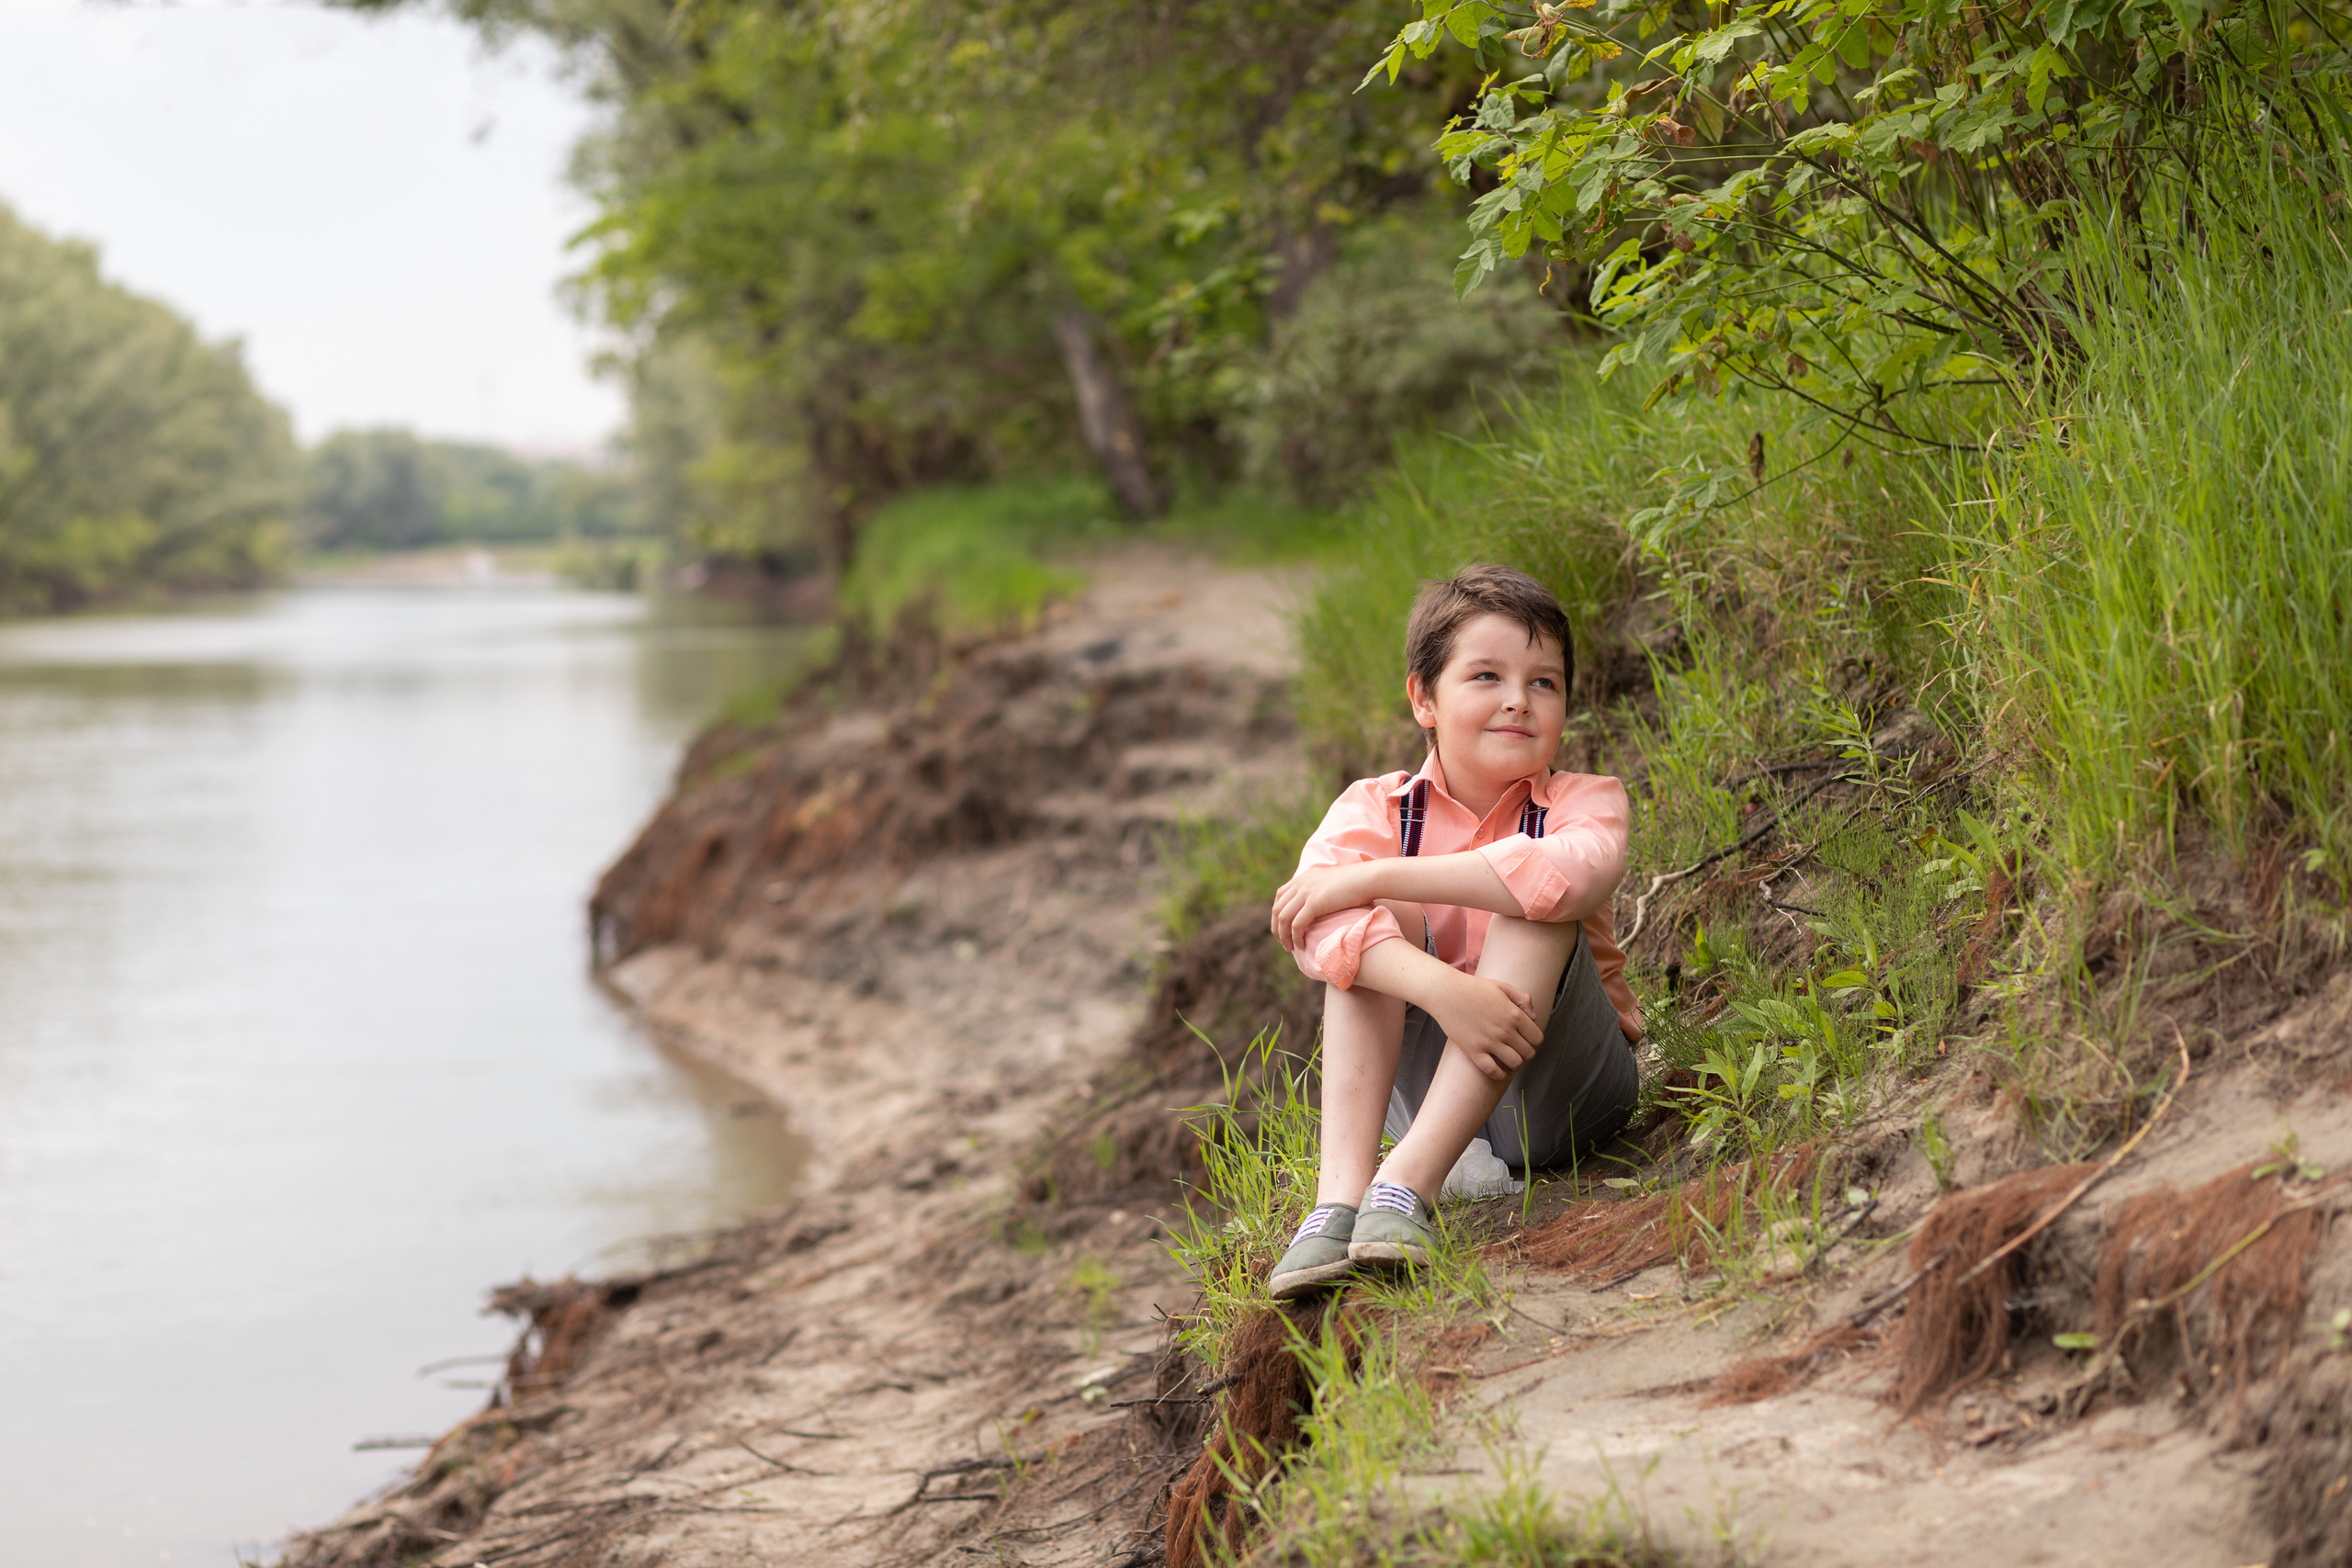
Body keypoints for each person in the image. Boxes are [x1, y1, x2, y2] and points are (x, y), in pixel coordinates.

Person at [1264, 563, 1642, 1298]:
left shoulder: (1587, 802)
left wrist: (1373, 876)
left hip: (1569, 1090)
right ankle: (1338, 1203)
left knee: (1532, 902)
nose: (1517, 702)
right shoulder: (1373, 807)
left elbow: (1560, 877)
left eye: (1544, 682)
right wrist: (1446, 991)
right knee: (1358, 937)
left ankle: (1406, 1181)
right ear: (1422, 698)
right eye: (1486, 677)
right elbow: (1313, 920)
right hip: (1431, 1078)